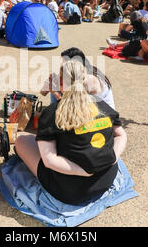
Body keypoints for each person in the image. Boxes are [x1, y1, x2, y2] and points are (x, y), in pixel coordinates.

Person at [15, 59, 127, 205]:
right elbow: (121, 134)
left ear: (60, 84)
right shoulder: (101, 104)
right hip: (105, 179)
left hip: (69, 191)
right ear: (84, 80)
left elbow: (49, 161)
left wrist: (83, 171)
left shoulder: (51, 113)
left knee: (21, 141)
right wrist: (113, 158)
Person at [41, 47, 116, 109]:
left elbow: (74, 108)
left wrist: (55, 93)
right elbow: (43, 92)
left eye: (65, 64)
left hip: (103, 115)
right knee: (56, 84)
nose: (63, 66)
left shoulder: (88, 79)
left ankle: (54, 114)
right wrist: (50, 83)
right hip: (89, 107)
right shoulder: (73, 73)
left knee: (58, 89)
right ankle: (53, 112)